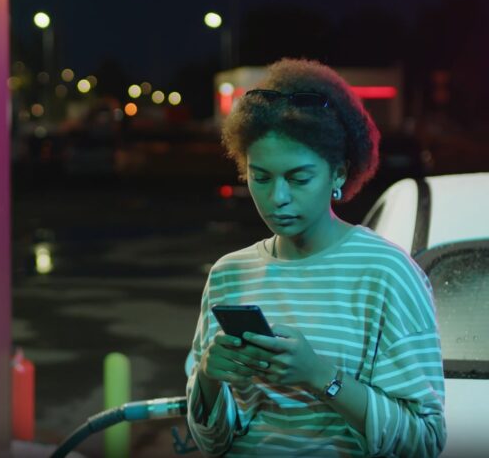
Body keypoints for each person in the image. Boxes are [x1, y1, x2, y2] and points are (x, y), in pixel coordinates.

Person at [186, 58, 446, 457]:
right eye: (261, 177)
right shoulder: (229, 274)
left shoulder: (387, 274)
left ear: (339, 173)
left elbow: (425, 440)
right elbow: (212, 442)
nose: (278, 198)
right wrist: (206, 379)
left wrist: (320, 376)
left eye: (298, 178)